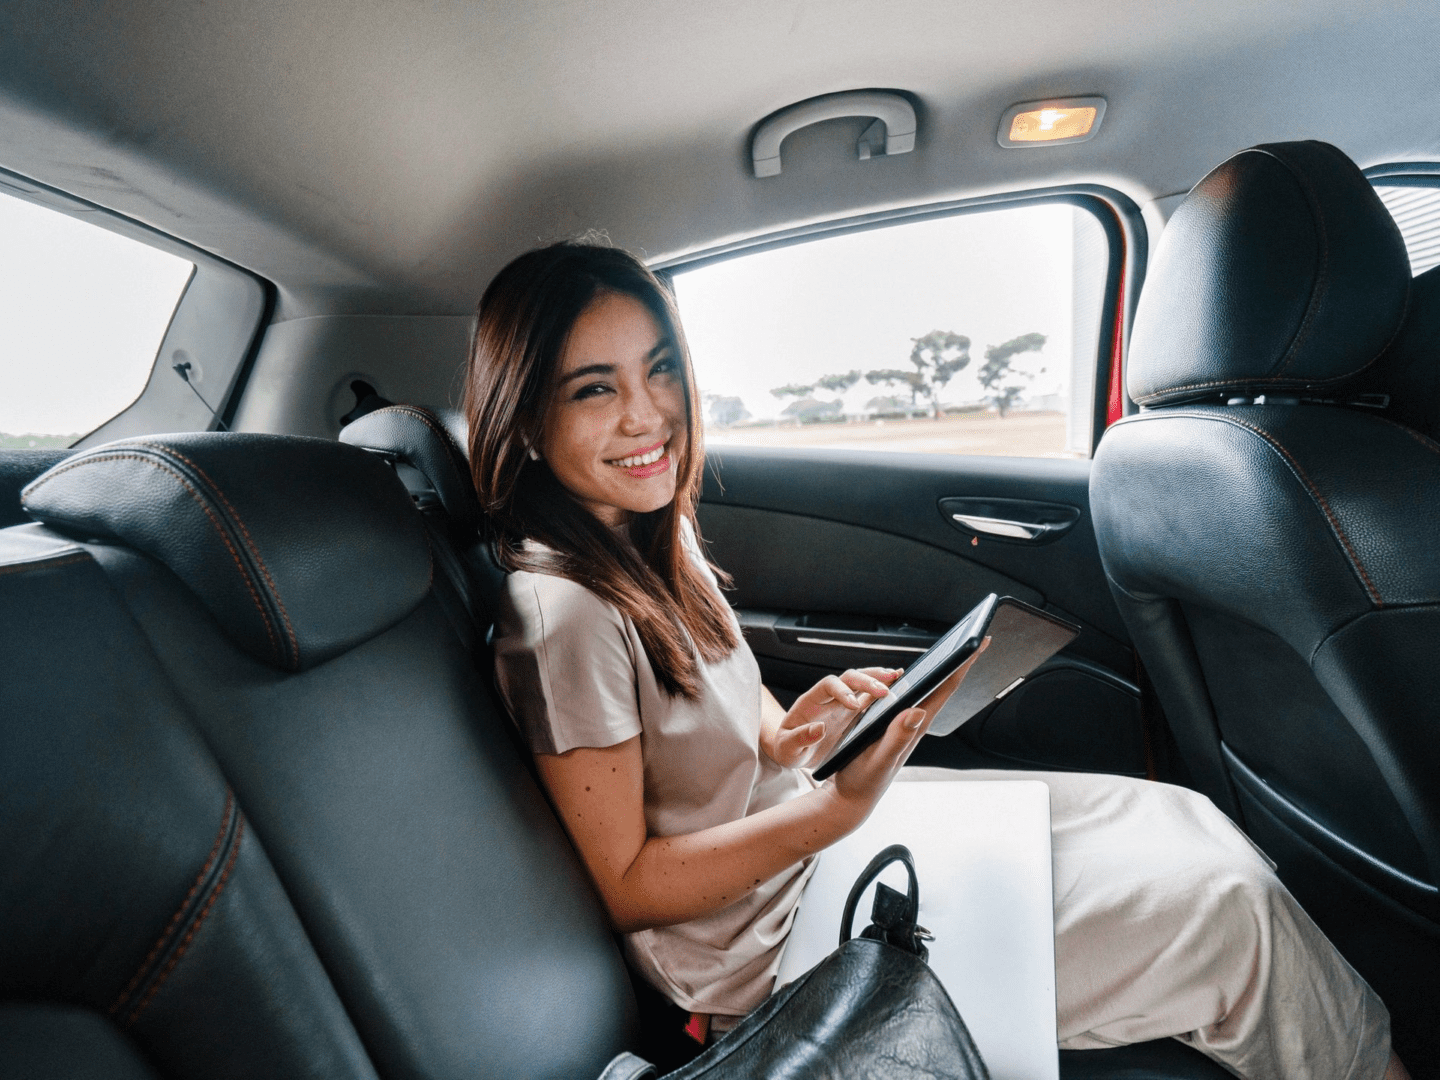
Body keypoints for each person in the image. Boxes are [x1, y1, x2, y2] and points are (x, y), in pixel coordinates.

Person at [464, 239, 1407, 1080]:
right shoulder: (561, 614)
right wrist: (836, 809)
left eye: (659, 370)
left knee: (1176, 817)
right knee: (1221, 909)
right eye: (594, 388)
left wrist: (801, 732)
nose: (647, 414)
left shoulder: (645, 543)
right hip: (760, 945)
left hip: (805, 852)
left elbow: (728, 715)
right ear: (525, 417)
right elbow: (626, 885)